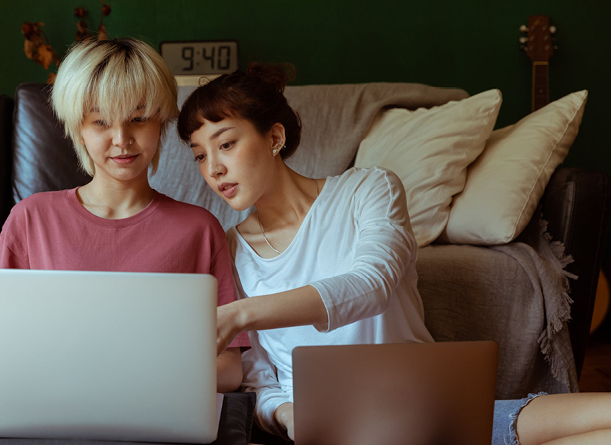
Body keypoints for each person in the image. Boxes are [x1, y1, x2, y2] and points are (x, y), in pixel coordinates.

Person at [177, 63, 611, 445]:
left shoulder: (369, 189)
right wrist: (288, 416)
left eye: (226, 144)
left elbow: (373, 284)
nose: (212, 168)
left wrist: (243, 312)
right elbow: (257, 379)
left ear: (274, 136)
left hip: (432, 410)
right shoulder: (230, 248)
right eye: (200, 155)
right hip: (334, 430)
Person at [0, 38, 250, 393]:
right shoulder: (30, 219)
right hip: (59, 406)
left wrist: (136, 383)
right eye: (100, 122)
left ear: (160, 121)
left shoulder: (199, 229)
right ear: (79, 130)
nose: (121, 138)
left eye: (138, 119)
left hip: (162, 411)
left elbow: (229, 368)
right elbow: (1, 349)